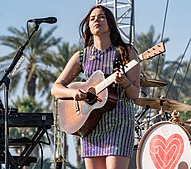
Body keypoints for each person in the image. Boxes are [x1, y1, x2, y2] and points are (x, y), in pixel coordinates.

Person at [51, 5, 140, 169]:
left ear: (110, 24)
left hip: (119, 123)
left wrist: (124, 82)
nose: (96, 21)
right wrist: (74, 93)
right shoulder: (82, 56)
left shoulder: (126, 52)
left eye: (101, 17)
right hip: (90, 124)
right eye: (92, 19)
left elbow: (135, 95)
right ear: (88, 27)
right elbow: (55, 88)